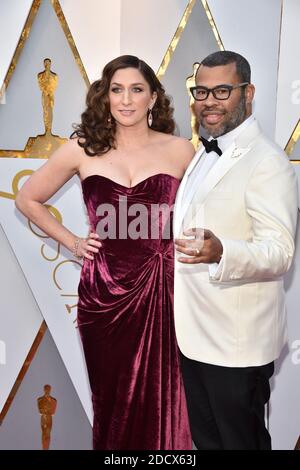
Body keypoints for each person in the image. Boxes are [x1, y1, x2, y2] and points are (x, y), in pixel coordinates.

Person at [16, 55, 194, 450]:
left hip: (165, 292)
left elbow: (203, 214)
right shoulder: (83, 148)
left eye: (136, 89)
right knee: (112, 401)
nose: (126, 100)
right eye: (117, 89)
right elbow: (28, 198)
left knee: (167, 400)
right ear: (106, 96)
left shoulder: (182, 151)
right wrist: (74, 243)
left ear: (153, 98)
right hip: (104, 295)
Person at [174, 50, 298, 450]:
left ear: (248, 93)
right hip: (195, 337)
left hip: (237, 347)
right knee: (209, 444)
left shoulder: (269, 162)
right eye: (202, 91)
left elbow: (280, 251)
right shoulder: (203, 152)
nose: (209, 101)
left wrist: (223, 251)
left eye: (222, 91)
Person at [37, 384, 57, 450]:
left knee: (48, 433)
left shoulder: (54, 401)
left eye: (48, 389)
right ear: (44, 390)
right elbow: (40, 411)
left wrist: (46, 410)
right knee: (44, 433)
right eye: (46, 389)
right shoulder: (39, 400)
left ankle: (46, 448)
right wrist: (46, 411)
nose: (47, 390)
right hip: (43, 418)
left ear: (50, 390)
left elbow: (53, 412)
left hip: (49, 418)